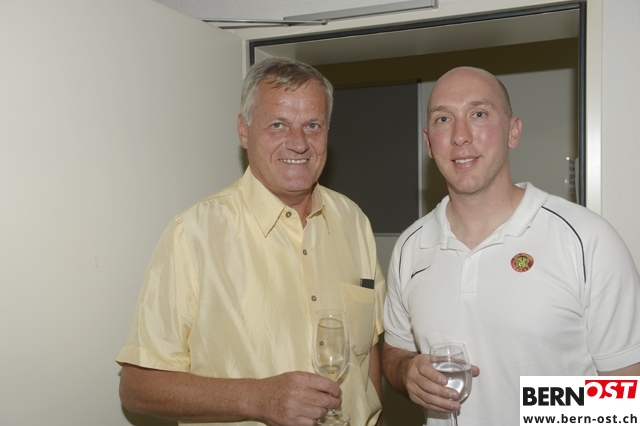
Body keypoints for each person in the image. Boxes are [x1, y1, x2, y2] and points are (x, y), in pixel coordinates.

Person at [117, 57, 386, 426]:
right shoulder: (192, 234)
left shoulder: (353, 221)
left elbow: (368, 354)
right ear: (244, 131)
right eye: (278, 125)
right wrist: (258, 399)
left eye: (313, 125)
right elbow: (137, 387)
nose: (299, 143)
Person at [381, 66, 640, 425]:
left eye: (479, 114)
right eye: (443, 119)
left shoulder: (586, 240)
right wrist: (407, 370)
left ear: (513, 132)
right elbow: (394, 351)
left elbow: (627, 394)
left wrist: (523, 406)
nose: (460, 136)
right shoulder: (410, 248)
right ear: (428, 142)